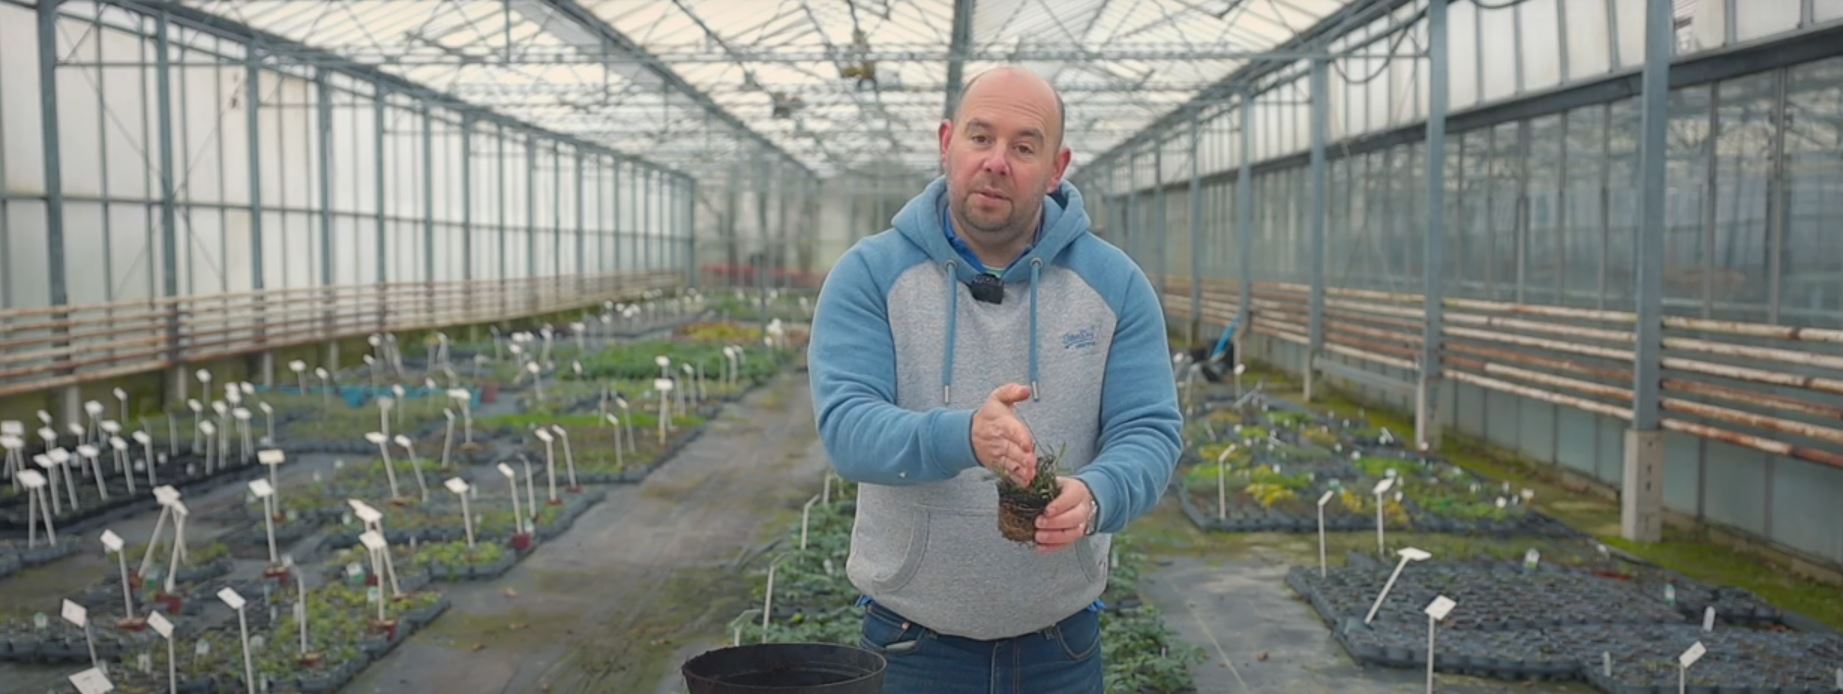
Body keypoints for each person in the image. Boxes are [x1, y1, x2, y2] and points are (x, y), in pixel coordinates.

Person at [807, 66, 1183, 691]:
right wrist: (966, 437)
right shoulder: (870, 274)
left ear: (1058, 167)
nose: (997, 162)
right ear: (947, 141)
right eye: (981, 138)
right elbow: (848, 428)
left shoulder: (1115, 285)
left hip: (1060, 649)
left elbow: (1150, 431)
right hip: (910, 645)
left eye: (1024, 146)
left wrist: (1096, 495)